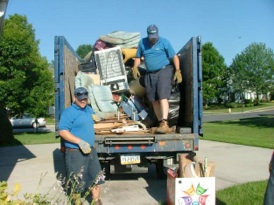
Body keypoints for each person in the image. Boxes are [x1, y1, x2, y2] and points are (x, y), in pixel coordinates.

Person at [132, 24, 182, 134]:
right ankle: (161, 124)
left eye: (155, 35)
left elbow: (174, 56)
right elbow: (137, 57)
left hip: (164, 70)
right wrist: (135, 66)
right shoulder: (142, 43)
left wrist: (178, 70)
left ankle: (165, 122)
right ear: (148, 35)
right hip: (150, 74)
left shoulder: (164, 42)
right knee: (153, 99)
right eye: (151, 36)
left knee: (162, 96)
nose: (153, 38)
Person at [59, 87, 104, 205]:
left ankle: (96, 201)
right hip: (75, 152)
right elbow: (63, 131)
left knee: (96, 178)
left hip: (90, 150)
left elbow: (93, 118)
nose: (83, 101)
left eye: (85, 98)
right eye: (80, 99)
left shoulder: (88, 109)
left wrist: (96, 117)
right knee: (76, 181)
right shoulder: (69, 112)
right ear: (75, 98)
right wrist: (79, 142)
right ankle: (76, 202)